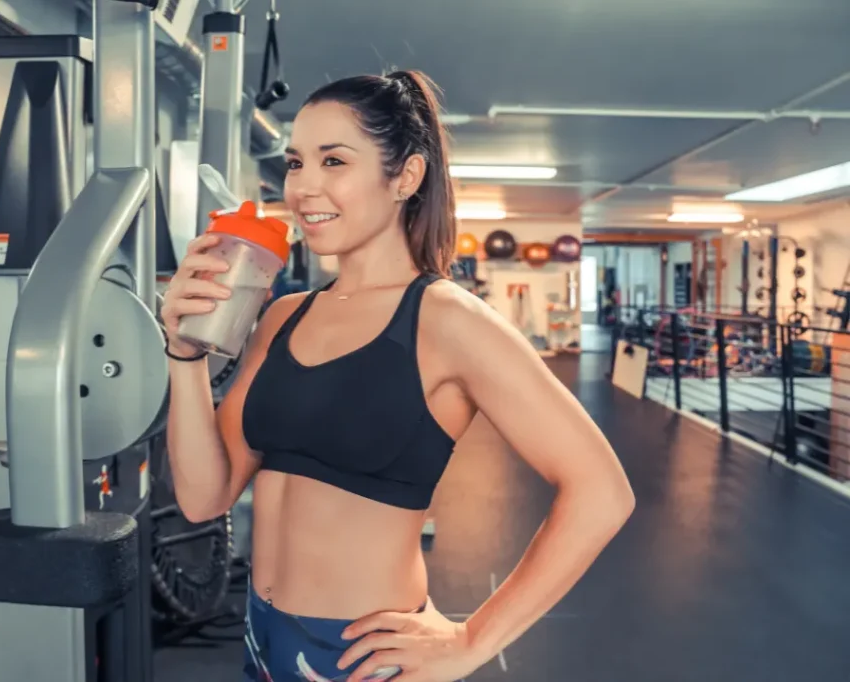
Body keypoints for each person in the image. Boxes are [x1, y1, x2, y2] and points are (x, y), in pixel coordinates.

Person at [161, 70, 635, 682]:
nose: (304, 186)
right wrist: (184, 356)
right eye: (296, 162)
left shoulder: (446, 320)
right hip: (262, 639)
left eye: (334, 161)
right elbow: (204, 498)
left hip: (362, 659)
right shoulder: (280, 317)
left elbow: (602, 491)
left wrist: (471, 641)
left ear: (405, 177)